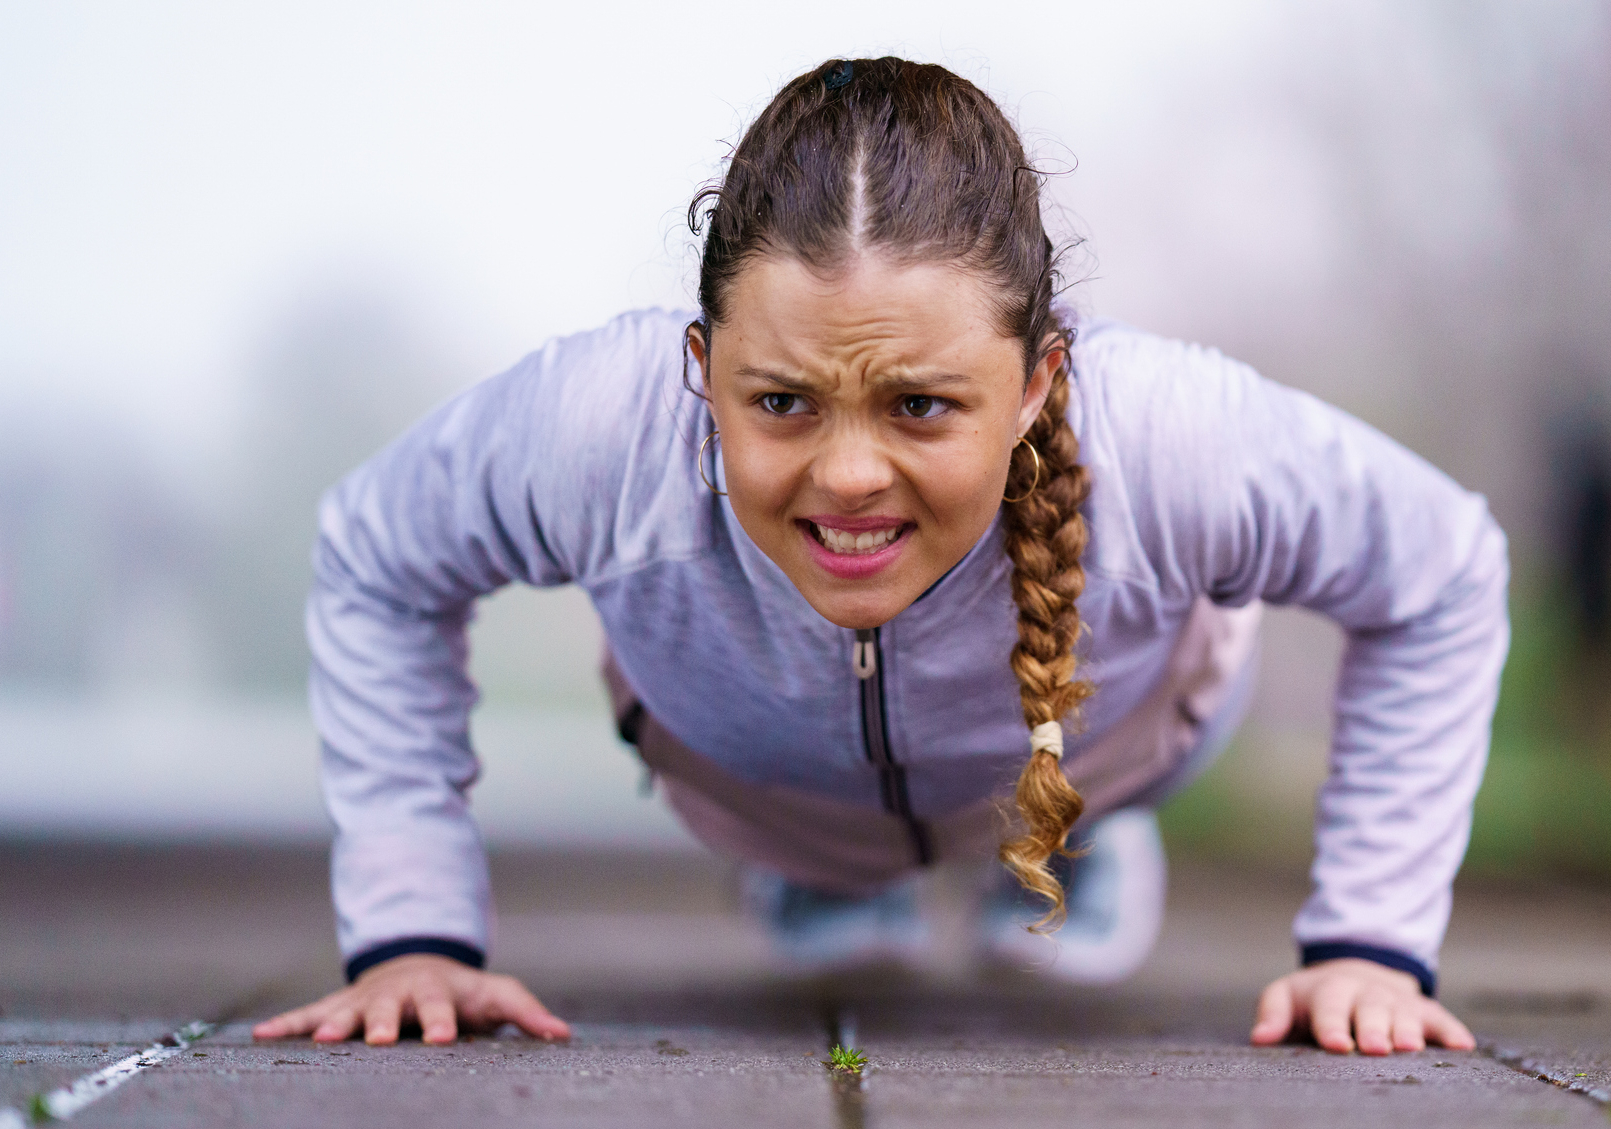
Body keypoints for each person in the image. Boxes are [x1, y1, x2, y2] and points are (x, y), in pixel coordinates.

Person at [254, 57, 1506, 1057]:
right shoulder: (592, 429)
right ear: (701, 369)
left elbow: (1441, 569)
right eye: (782, 403)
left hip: (1110, 740)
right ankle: (827, 873)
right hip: (757, 777)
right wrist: (410, 929)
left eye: (919, 406)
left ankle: (1076, 830)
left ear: (1035, 382)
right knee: (834, 908)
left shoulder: (1172, 437)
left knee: (1072, 794)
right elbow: (375, 554)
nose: (848, 477)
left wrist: (1370, 941)